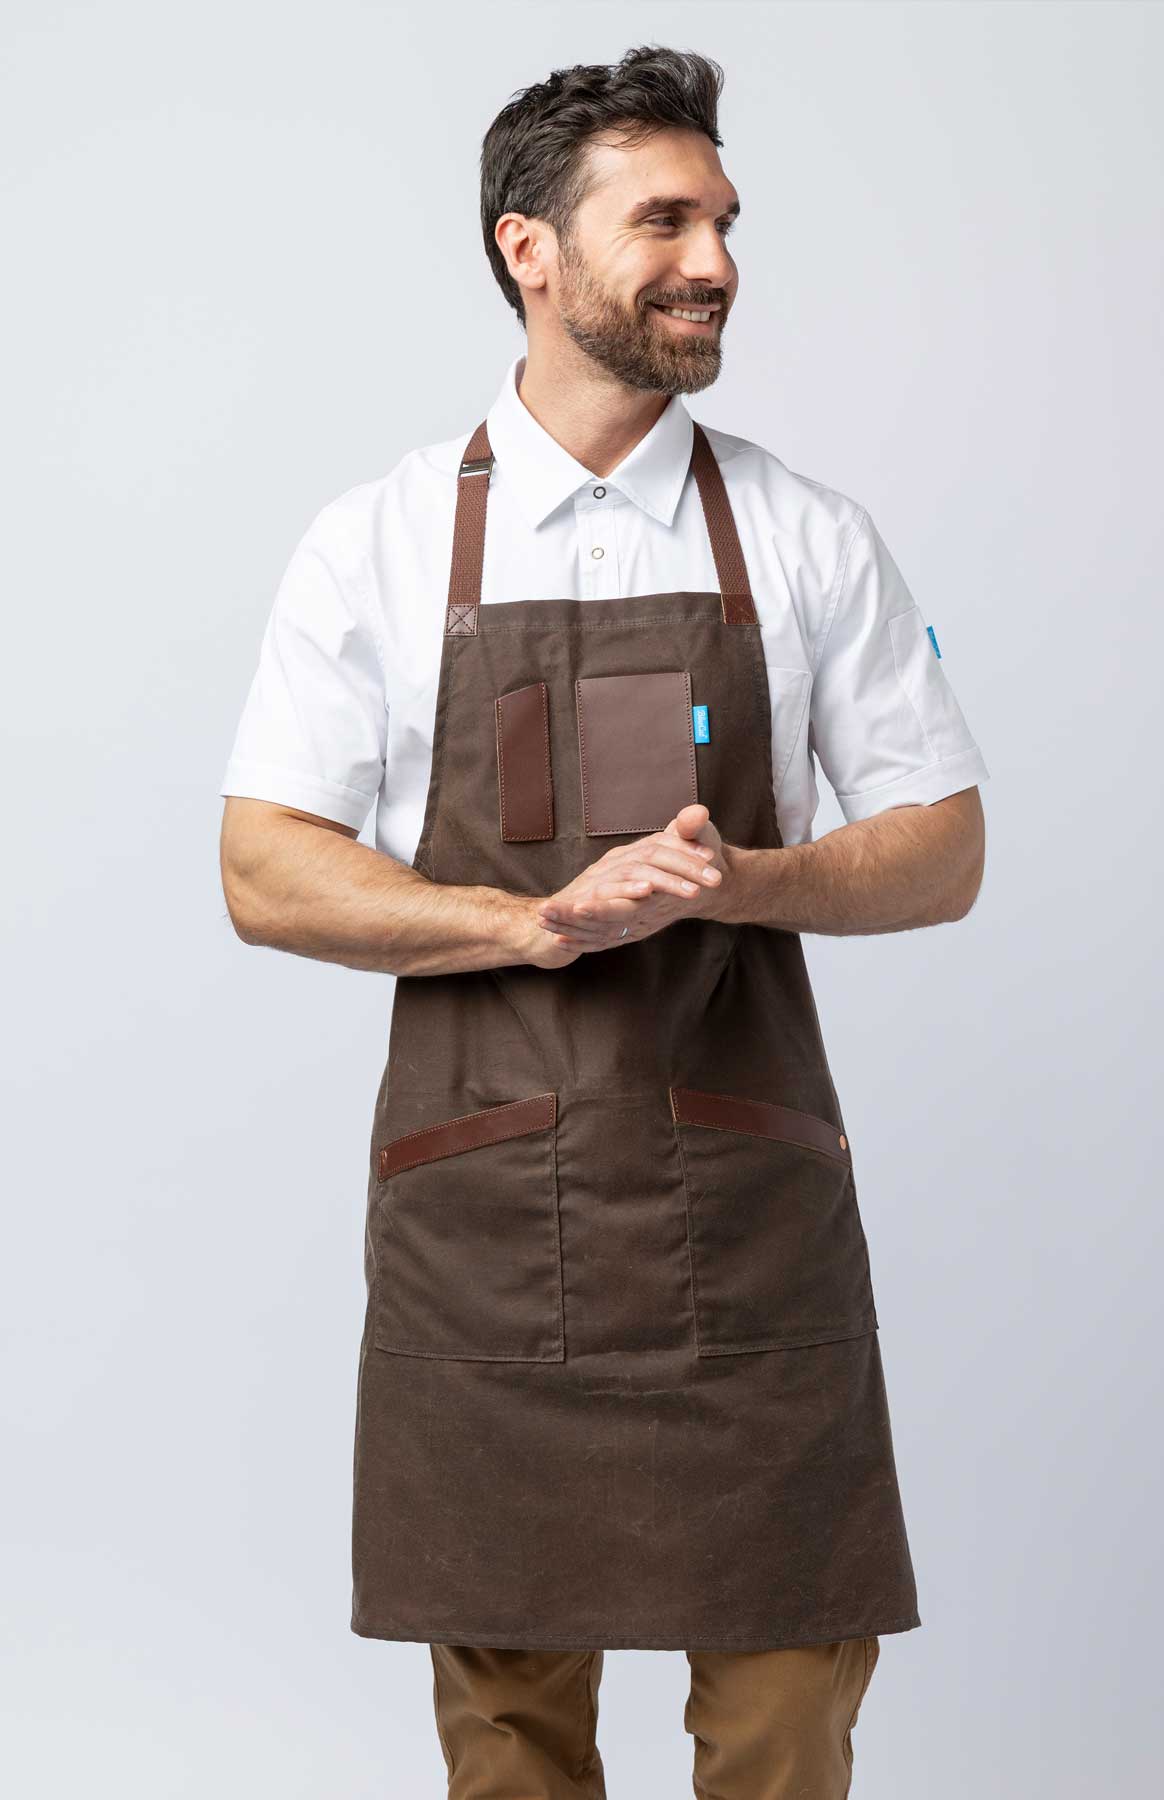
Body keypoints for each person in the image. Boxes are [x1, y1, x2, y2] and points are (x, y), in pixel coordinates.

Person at [218, 44, 988, 1800]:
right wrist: (529, 924)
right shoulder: (382, 545)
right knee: (507, 1731)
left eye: (723, 219)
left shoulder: (803, 537)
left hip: (749, 1209)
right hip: (484, 1212)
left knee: (792, 1696)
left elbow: (944, 848)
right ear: (530, 252)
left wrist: (752, 883)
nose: (715, 258)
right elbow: (262, 865)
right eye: (667, 219)